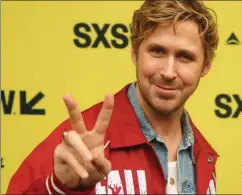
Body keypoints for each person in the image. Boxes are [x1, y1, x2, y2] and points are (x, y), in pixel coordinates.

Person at [7, 0, 219, 194]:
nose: (169, 72)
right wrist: (60, 188)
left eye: (185, 57)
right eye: (157, 51)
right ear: (135, 53)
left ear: (206, 65)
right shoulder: (79, 144)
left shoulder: (202, 152)